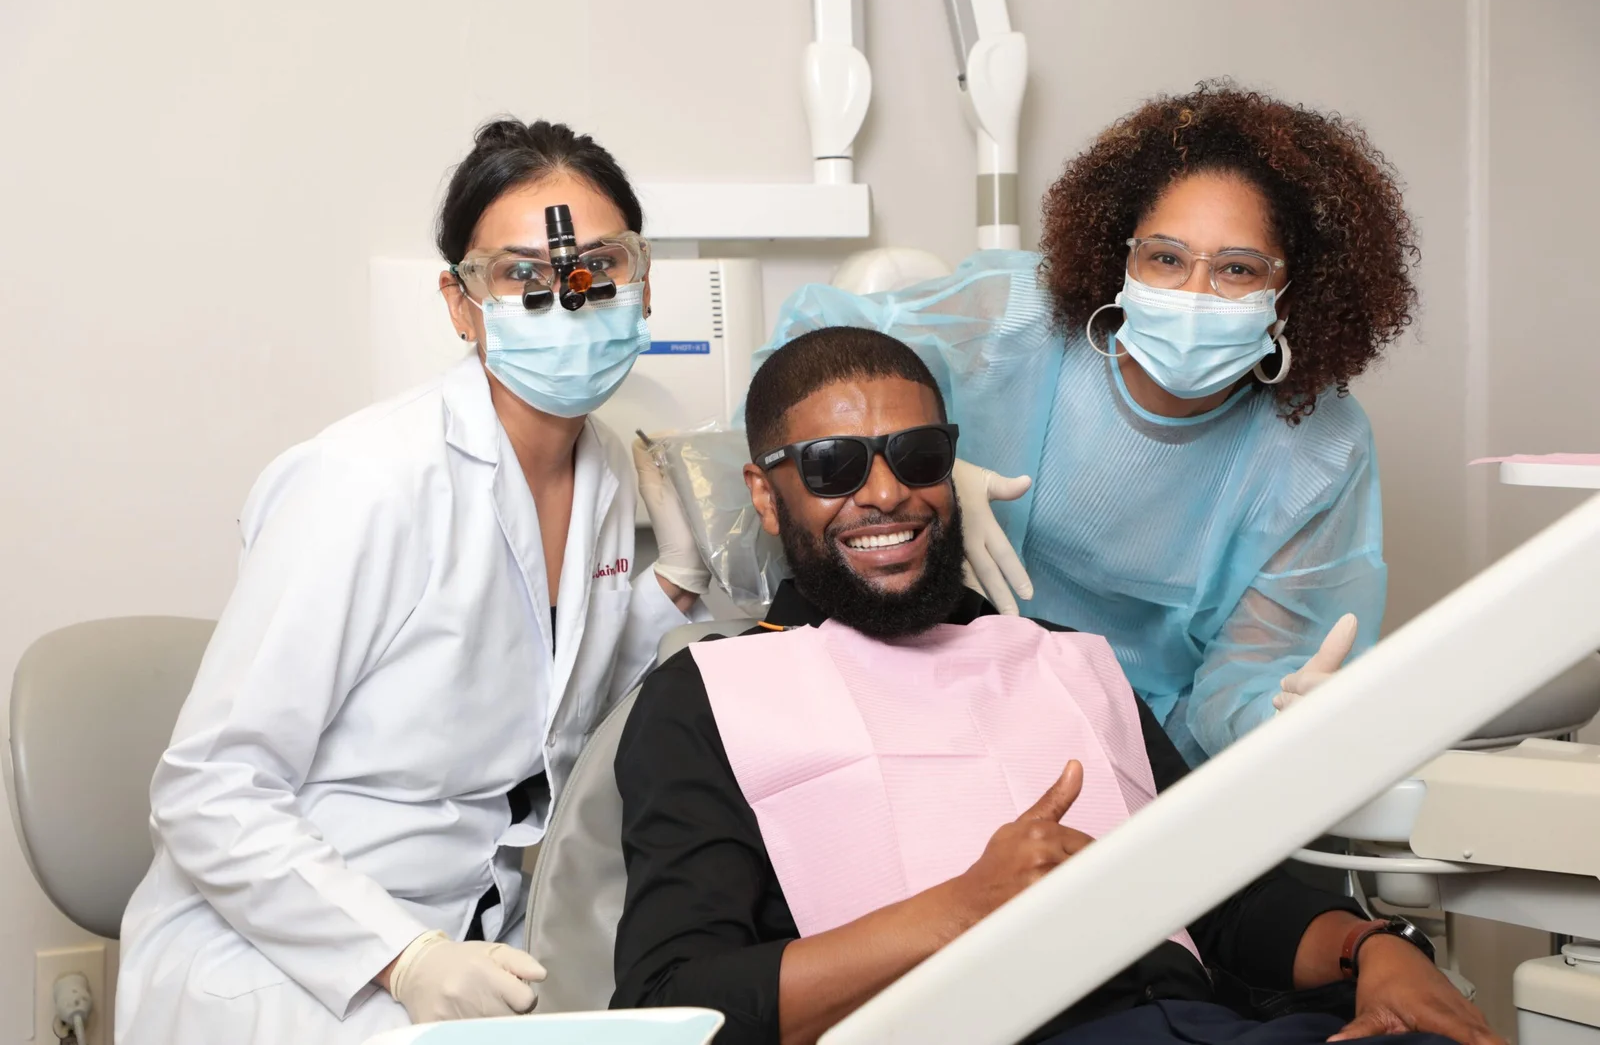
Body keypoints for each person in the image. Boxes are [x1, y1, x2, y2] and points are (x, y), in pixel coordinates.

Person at [612, 327, 1497, 1045]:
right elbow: (672, 1003)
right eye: (833, 465)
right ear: (766, 497)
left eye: (917, 455)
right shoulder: (710, 696)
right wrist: (962, 910)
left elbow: (1218, 896)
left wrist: (1374, 947)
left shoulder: (1067, 659)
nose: (885, 492)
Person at [116, 118, 712, 1045]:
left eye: (600, 263)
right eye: (522, 275)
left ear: (641, 279)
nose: (569, 299)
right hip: (295, 954)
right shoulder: (366, 482)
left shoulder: (598, 468)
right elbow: (209, 788)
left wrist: (674, 579)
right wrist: (406, 956)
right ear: (461, 302)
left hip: (484, 934)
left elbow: (550, 702)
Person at [752, 82, 1417, 764]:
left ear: (1290, 296)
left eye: (1237, 270)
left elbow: (1248, 678)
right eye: (1165, 257)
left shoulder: (1319, 448)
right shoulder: (1013, 322)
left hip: (1141, 744)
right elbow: (800, 365)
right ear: (1119, 259)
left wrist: (1283, 717)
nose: (1192, 292)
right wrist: (933, 469)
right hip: (942, 690)